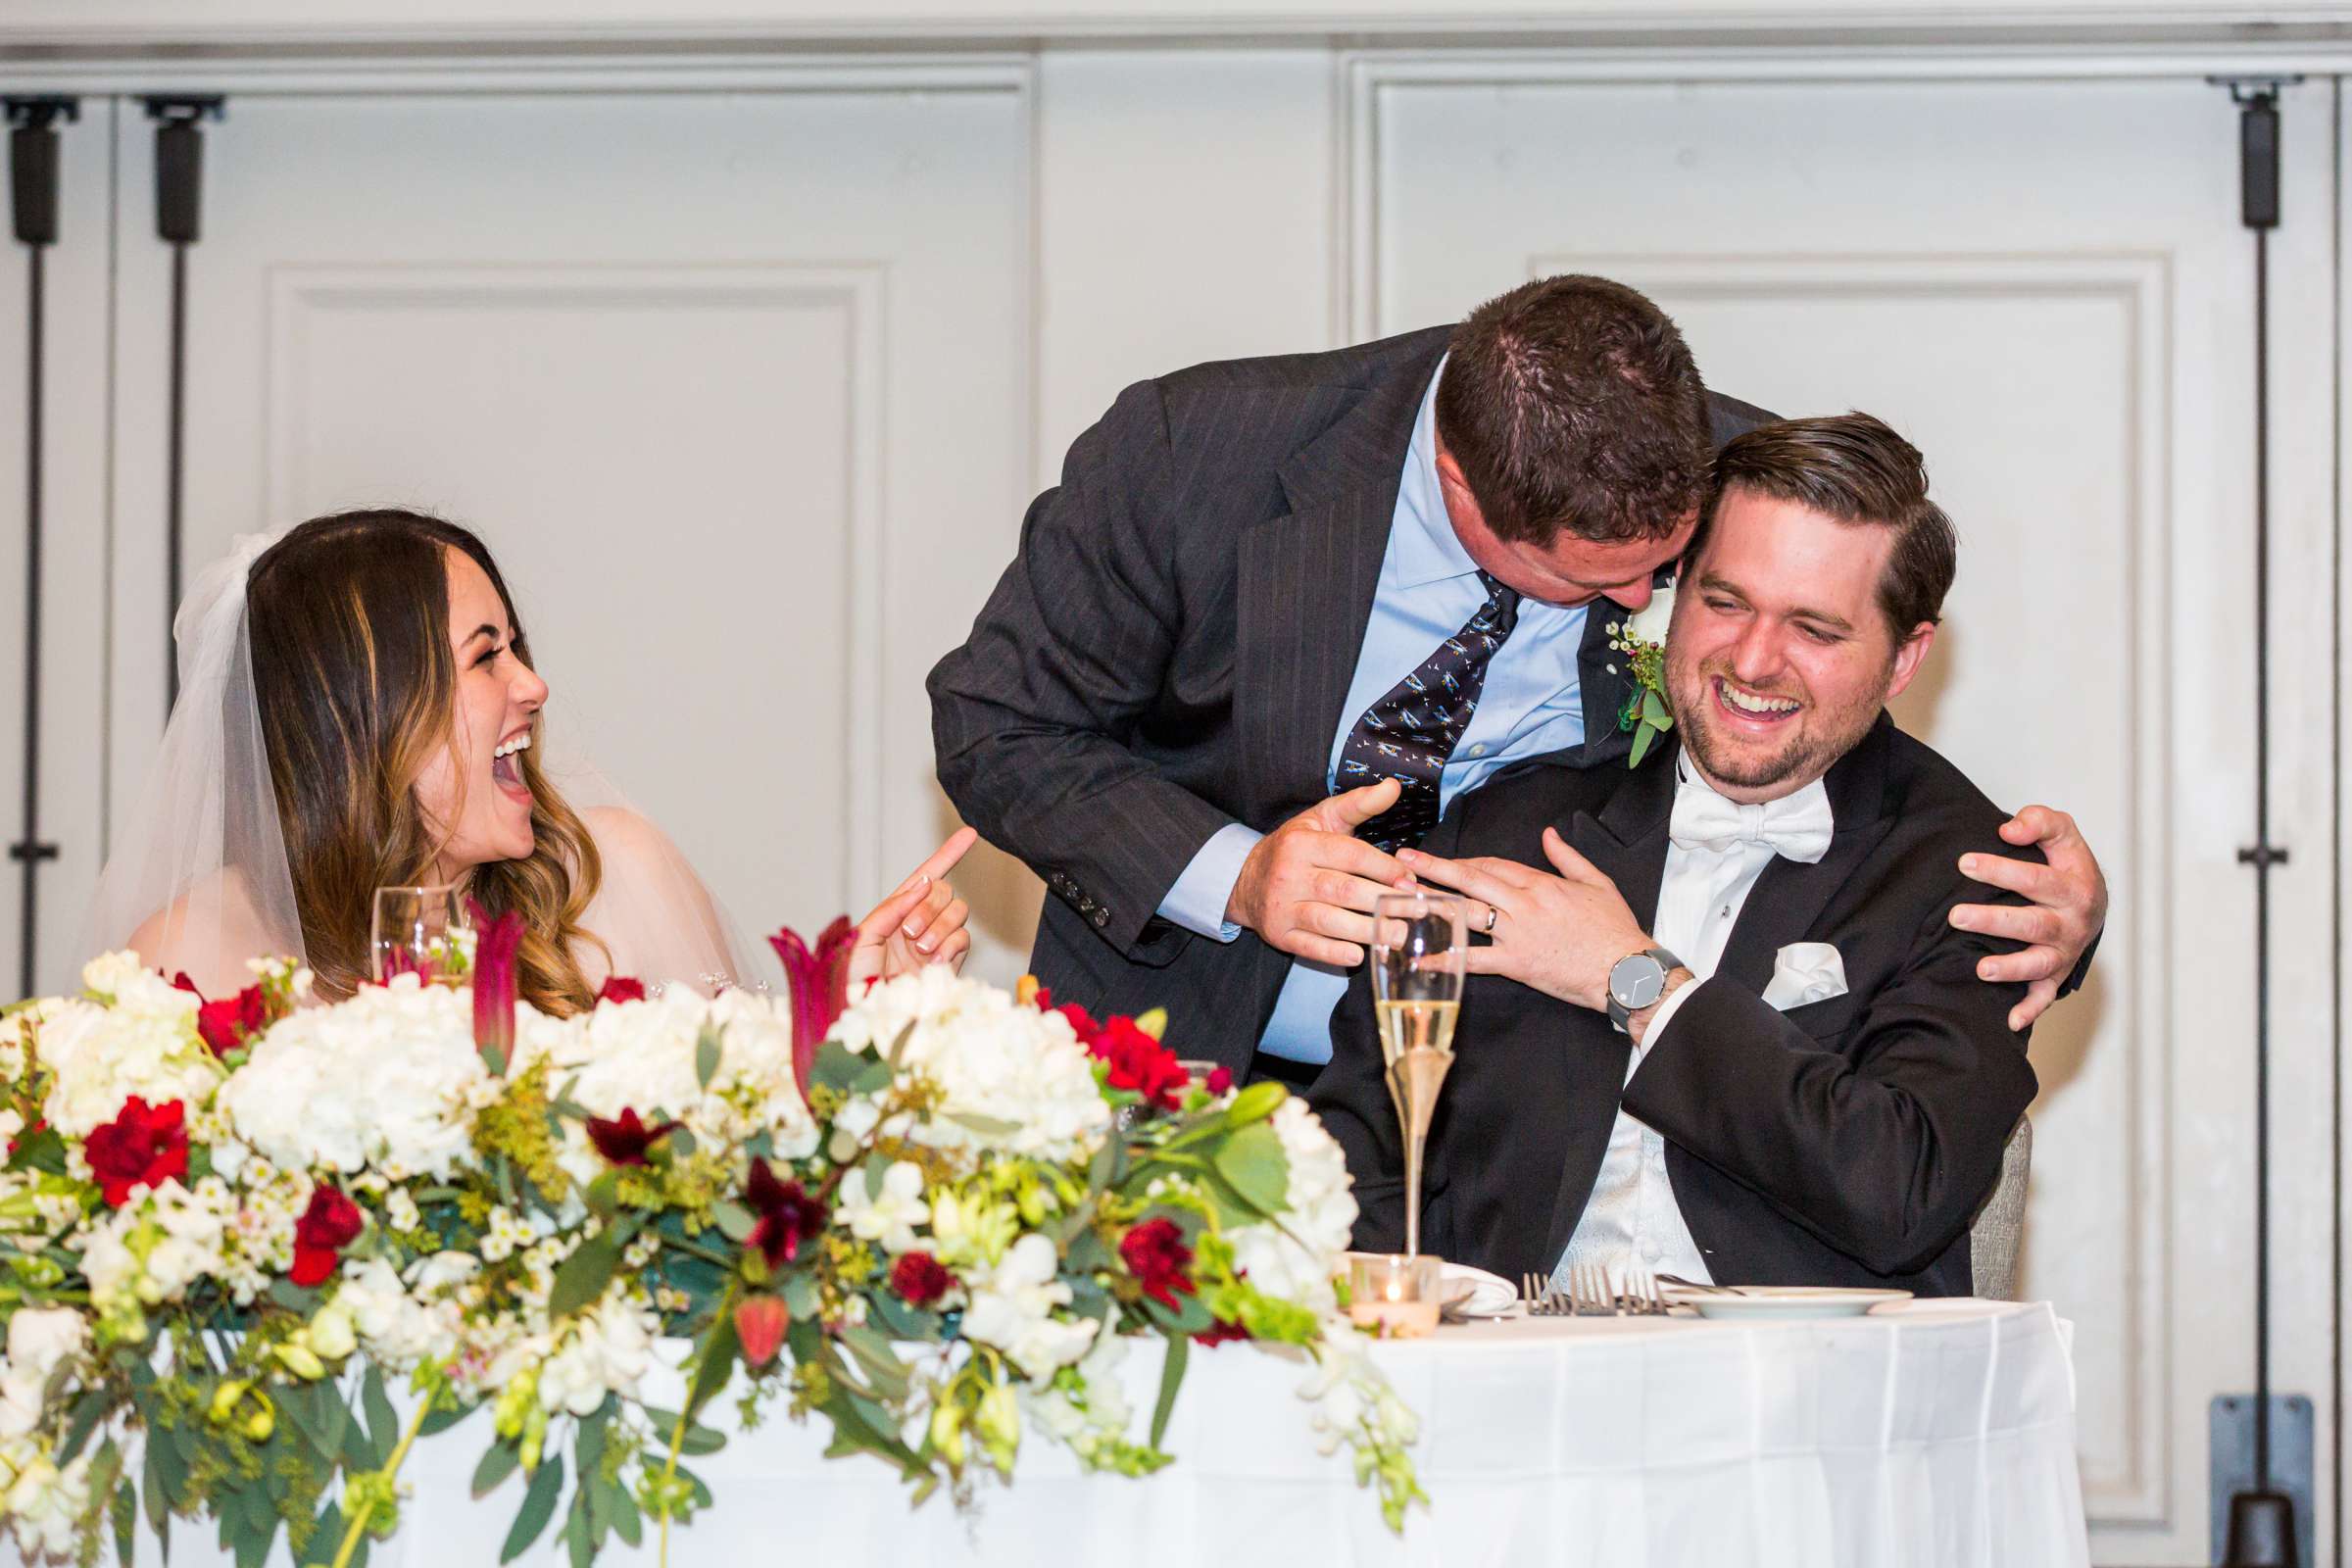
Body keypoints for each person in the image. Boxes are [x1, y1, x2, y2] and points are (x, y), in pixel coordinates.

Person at [929, 273, 2106, 1080]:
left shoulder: (1745, 480)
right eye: (1588, 580)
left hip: (1516, 1105)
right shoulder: (1199, 452)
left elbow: (1817, 708)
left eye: (1663, 569)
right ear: (1456, 485)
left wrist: (2038, 907)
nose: (1641, 601)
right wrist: (1241, 877)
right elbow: (1001, 724)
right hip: (1175, 1054)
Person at [1311, 414, 2033, 1294]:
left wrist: (1636, 981)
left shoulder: (1976, 878)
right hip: (1504, 1383)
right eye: (1724, 604)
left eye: (1815, 629)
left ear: (1902, 658)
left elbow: (1902, 1190)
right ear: (1675, 590)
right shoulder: (1508, 826)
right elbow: (1359, 1151)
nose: (1754, 661)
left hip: (1800, 1406)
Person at [84, 510, 975, 1012]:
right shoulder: (189, 960)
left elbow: (742, 1167)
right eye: (485, 657)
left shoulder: (616, 876)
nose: (536, 686)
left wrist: (860, 1020)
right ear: (365, 713)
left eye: (516, 646)